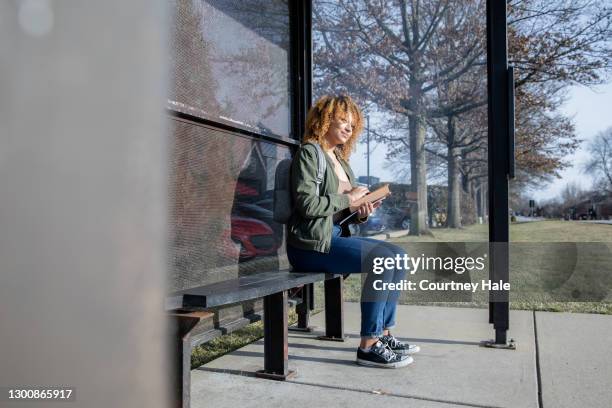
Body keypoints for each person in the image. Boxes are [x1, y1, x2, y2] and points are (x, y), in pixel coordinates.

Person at [286, 94, 420, 368]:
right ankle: (368, 346)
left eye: (352, 124)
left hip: (333, 237)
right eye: (343, 120)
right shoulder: (310, 153)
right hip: (309, 245)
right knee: (384, 259)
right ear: (324, 120)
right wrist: (349, 199)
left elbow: (339, 213)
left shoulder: (340, 160)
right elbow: (307, 204)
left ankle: (383, 334)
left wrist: (360, 210)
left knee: (399, 256)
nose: (349, 127)